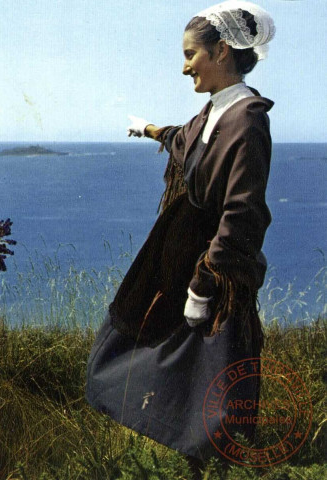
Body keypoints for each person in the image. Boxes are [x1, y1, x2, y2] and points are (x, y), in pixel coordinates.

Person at [85, 0, 275, 471]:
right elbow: (183, 140)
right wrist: (147, 128)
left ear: (223, 51)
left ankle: (216, 465)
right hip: (180, 259)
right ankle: (198, 462)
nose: (184, 64)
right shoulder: (213, 112)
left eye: (192, 53)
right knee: (177, 369)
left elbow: (243, 212)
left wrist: (205, 281)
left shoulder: (247, 120)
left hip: (211, 267)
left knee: (209, 372)